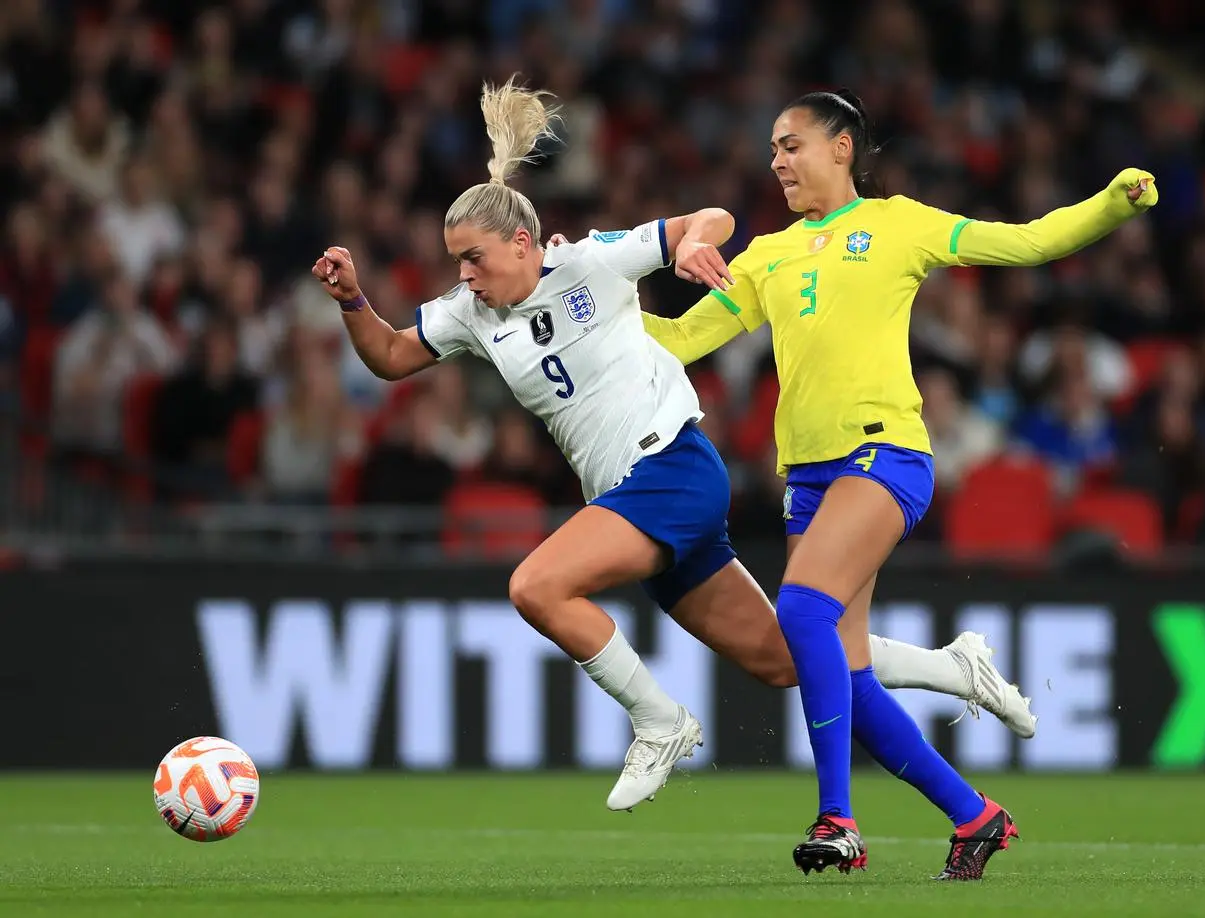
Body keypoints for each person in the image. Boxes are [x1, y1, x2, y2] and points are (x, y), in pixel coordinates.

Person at [315, 78, 1034, 824]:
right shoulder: (472, 312)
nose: (463, 275)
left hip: (671, 470)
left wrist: (690, 242)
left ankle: (660, 722)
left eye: (473, 257)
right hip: (625, 497)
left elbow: (711, 217)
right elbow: (395, 357)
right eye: (455, 261)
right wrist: (352, 303)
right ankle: (953, 669)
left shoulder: (589, 262)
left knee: (536, 586)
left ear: (523, 244)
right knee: (789, 658)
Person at [641, 89, 1158, 880]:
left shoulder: (897, 222)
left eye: (791, 144)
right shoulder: (764, 257)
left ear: (842, 146)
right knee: (844, 674)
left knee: (801, 611)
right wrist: (578, 300)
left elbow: (1025, 243)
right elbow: (674, 340)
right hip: (808, 480)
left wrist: (1108, 207)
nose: (775, 160)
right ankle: (975, 815)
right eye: (772, 149)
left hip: (883, 459)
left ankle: (837, 819)